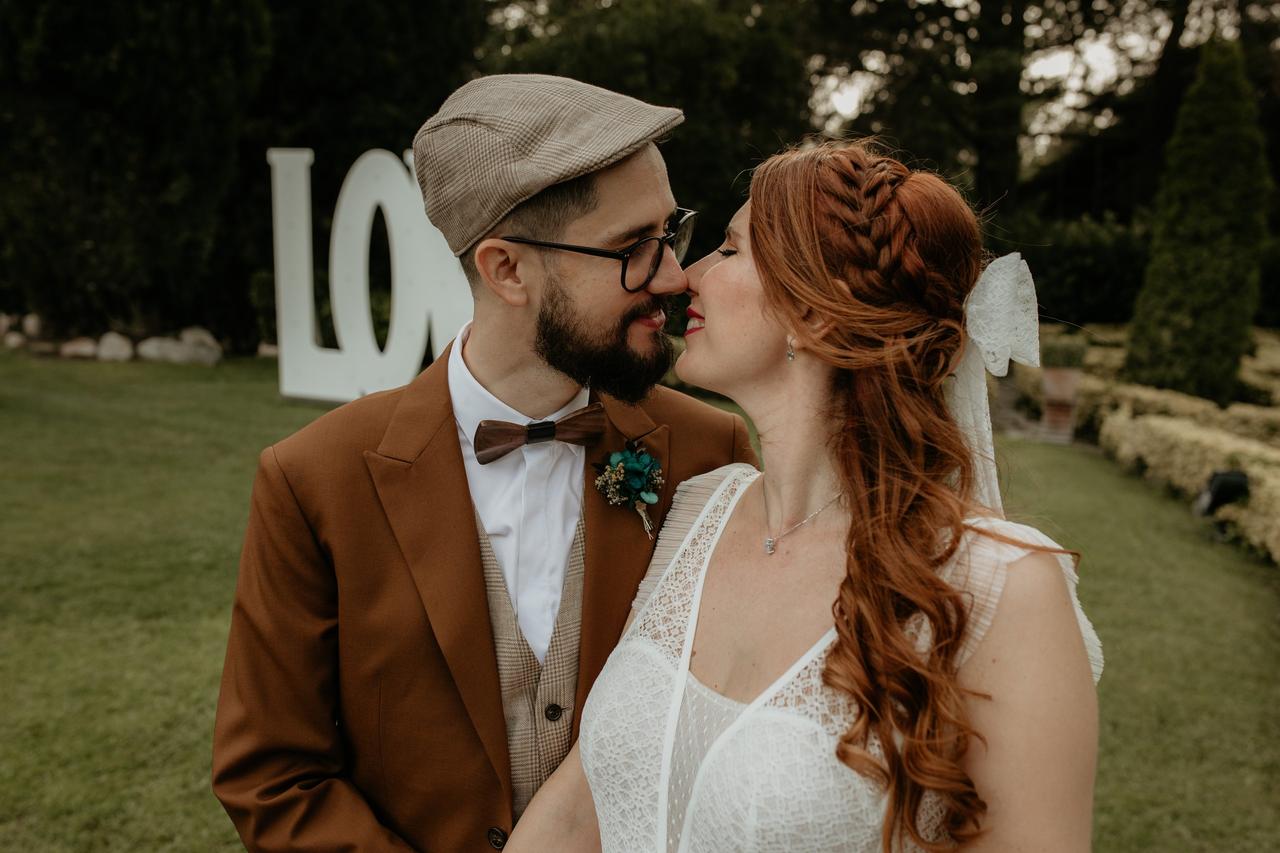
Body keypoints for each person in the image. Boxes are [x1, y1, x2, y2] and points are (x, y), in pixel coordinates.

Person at [508, 139, 1104, 852]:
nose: (684, 277)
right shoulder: (699, 509)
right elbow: (578, 809)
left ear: (814, 314)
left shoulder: (1003, 586)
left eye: (727, 250)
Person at [211, 74, 755, 852]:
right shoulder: (313, 479)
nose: (672, 275)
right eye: (630, 247)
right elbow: (271, 772)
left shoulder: (710, 453)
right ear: (506, 270)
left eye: (670, 233)